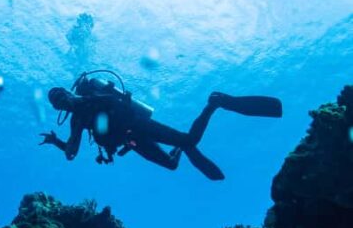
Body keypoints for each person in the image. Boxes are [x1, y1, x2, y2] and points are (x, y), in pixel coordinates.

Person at [40, 72, 282, 181]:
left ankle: (214, 103)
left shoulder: (91, 97)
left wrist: (104, 109)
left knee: (190, 141)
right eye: (57, 103)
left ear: (67, 92)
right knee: (171, 165)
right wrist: (57, 143)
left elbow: (117, 103)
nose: (63, 101)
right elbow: (72, 152)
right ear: (58, 108)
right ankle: (180, 147)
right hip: (131, 142)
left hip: (139, 126)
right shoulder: (76, 121)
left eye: (61, 95)